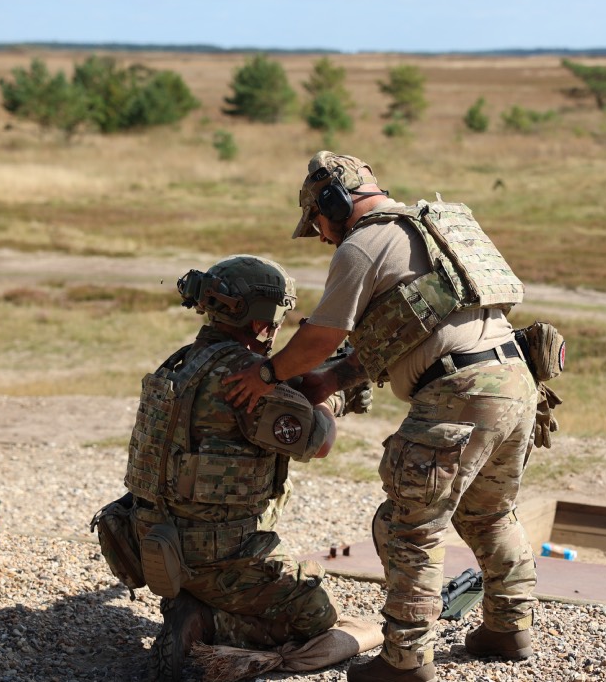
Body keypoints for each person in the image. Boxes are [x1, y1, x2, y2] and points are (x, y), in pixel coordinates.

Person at [225, 153, 539, 682]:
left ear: (334, 202)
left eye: (318, 223)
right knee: (490, 514)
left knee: (406, 527)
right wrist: (332, 380)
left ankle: (405, 663)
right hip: (515, 380)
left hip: (459, 392)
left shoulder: (362, 243)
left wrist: (267, 375)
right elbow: (410, 330)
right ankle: (509, 629)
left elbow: (323, 336)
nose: (322, 236)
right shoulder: (429, 228)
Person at [124, 254, 362, 681]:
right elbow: (318, 442)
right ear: (261, 321)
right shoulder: (247, 377)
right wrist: (328, 397)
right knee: (316, 617)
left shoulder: (180, 363)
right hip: (218, 555)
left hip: (151, 539)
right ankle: (205, 623)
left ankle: (197, 601)